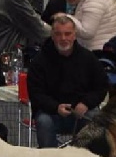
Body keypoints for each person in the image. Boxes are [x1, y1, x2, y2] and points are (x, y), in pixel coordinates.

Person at [27, 14, 108, 148]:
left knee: (96, 119)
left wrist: (86, 103)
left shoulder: (89, 58)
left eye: (67, 34)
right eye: (58, 34)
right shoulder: (39, 62)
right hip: (51, 113)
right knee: (43, 121)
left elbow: (102, 87)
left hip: (82, 113)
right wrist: (55, 107)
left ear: (74, 35)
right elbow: (35, 94)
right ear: (52, 36)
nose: (63, 38)